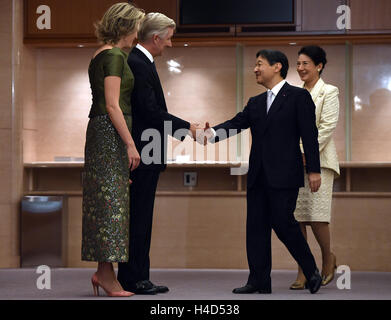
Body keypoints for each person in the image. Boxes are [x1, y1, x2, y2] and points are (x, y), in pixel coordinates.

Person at [204, 49, 323, 294]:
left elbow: (310, 137)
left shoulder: (298, 97)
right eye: (255, 65)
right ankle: (258, 280)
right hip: (258, 174)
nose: (255, 69)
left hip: (285, 174)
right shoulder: (255, 102)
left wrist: (314, 170)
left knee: (283, 223)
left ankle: (310, 269)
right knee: (256, 228)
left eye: (259, 64)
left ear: (277, 66)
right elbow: (236, 123)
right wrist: (209, 134)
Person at [117, 12, 200, 295]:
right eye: (169, 39)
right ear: (155, 38)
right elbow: (150, 112)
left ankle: (137, 276)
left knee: (141, 218)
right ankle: (135, 279)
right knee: (139, 218)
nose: (170, 45)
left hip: (146, 152)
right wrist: (188, 128)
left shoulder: (141, 61)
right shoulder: (139, 64)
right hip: (143, 153)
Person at [81, 2, 144, 297]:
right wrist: (131, 144)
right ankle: (106, 275)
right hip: (110, 133)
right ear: (125, 26)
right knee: (112, 205)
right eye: (136, 28)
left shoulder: (99, 54)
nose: (137, 35)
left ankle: (104, 272)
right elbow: (112, 104)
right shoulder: (116, 55)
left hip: (100, 132)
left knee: (105, 203)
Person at [290, 45, 340, 290]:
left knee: (317, 217)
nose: (300, 68)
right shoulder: (294, 94)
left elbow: (327, 127)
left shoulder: (329, 92)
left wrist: (305, 153)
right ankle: (304, 269)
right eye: (298, 64)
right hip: (293, 163)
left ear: (319, 65)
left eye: (305, 63)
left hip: (320, 161)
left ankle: (327, 259)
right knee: (296, 218)